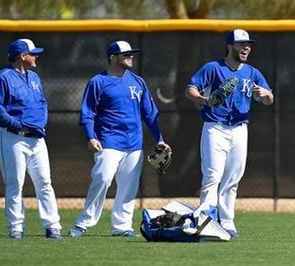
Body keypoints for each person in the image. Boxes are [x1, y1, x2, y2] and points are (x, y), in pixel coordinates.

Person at [69, 41, 170, 237]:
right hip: (108, 141)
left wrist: (159, 138)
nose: (130, 57)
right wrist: (90, 137)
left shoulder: (138, 82)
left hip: (134, 144)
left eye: (131, 54)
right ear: (112, 57)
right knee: (103, 179)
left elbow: (149, 114)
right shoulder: (98, 82)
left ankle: (122, 227)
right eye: (126, 54)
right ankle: (83, 223)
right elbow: (87, 113)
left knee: (128, 187)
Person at [185, 29, 274, 237]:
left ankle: (226, 220)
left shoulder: (252, 72)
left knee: (233, 177)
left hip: (240, 129)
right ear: (229, 46)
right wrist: (205, 100)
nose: (246, 48)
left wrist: (266, 94)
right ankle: (205, 219)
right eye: (241, 44)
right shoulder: (213, 68)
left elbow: (269, 99)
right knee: (212, 175)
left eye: (248, 44)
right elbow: (190, 89)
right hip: (215, 127)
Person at [0, 39, 62, 239]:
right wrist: (18, 125)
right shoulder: (1, 78)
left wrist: (41, 121)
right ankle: (16, 228)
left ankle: (53, 226)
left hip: (36, 138)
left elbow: (43, 102)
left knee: (45, 182)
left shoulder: (34, 77)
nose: (36, 56)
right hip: (12, 137)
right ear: (21, 55)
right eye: (33, 53)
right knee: (15, 183)